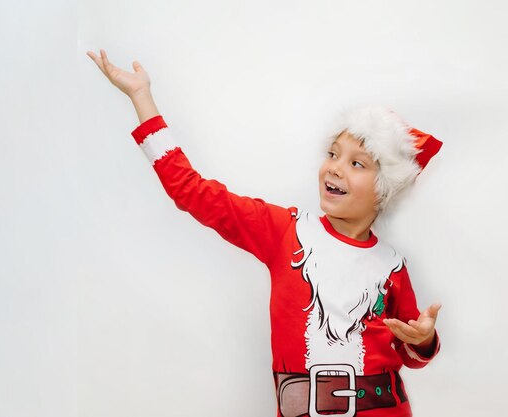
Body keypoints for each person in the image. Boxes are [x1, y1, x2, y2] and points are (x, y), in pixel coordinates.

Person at [87, 49, 444, 417]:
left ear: (384, 188)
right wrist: (142, 98)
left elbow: (410, 351)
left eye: (356, 163)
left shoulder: (391, 265)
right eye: (332, 154)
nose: (335, 168)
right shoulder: (285, 231)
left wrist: (425, 339)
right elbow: (192, 192)